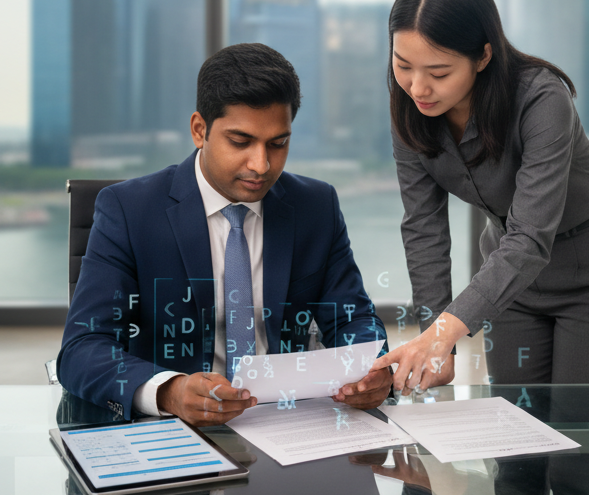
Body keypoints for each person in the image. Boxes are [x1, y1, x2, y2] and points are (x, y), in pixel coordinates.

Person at [57, 43, 392, 425]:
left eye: (278, 144)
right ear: (200, 130)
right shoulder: (127, 211)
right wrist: (169, 391)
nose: (261, 165)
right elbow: (82, 349)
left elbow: (352, 318)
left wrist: (372, 369)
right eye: (240, 141)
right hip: (173, 432)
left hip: (291, 423)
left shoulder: (316, 206)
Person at [374, 0, 589, 394]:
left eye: (439, 72)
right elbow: (423, 226)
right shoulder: (408, 107)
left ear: (483, 57)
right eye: (403, 65)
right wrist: (435, 339)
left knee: (580, 439)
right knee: (515, 435)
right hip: (510, 284)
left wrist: (443, 334)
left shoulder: (541, 99)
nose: (417, 87)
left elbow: (530, 236)